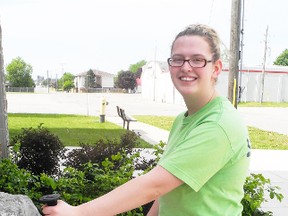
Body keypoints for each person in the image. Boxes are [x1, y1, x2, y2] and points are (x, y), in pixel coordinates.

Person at [42, 24, 251, 216]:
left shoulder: (218, 124)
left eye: (197, 59)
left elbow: (153, 186)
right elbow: (167, 187)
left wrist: (78, 213)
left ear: (215, 68)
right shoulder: (184, 120)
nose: (186, 67)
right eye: (178, 59)